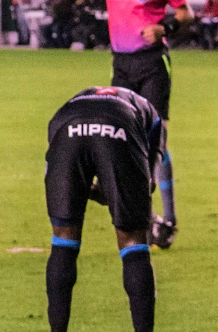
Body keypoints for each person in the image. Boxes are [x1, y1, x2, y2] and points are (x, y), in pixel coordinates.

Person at [10, 0, 194, 247]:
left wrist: (163, 27)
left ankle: (168, 217)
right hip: (121, 67)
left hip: (153, 65)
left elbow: (185, 12)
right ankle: (149, 219)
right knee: (128, 139)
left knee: (157, 137)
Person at [45, 86, 165, 332]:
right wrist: (119, 190)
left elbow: (56, 151)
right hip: (120, 123)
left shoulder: (68, 105)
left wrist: (84, 189)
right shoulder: (151, 116)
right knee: (133, 241)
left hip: (67, 124)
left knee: (63, 238)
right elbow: (148, 184)